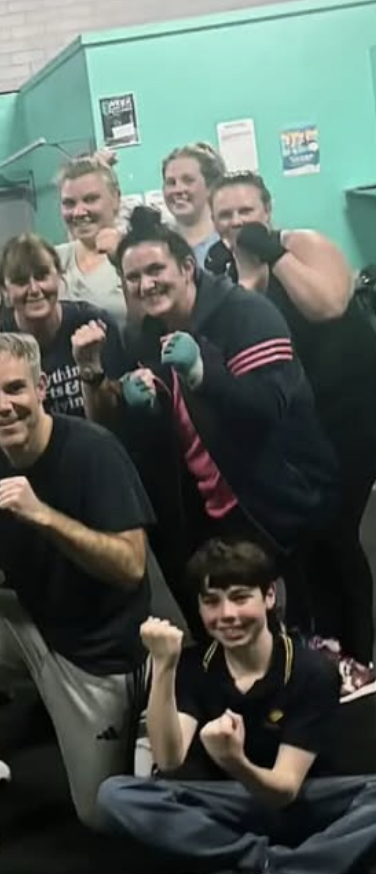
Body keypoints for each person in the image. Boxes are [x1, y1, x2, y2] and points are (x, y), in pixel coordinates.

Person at [0, 332, 156, 872]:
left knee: (100, 814)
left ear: (41, 387)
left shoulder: (93, 450)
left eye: (15, 389)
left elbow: (131, 566)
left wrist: (43, 516)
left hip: (97, 643)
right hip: (25, 615)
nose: (3, 406)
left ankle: (149, 696)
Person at [97, 538, 376, 874]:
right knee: (116, 795)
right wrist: (163, 666)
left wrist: (234, 760)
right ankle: (292, 868)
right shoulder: (195, 666)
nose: (227, 615)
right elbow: (169, 758)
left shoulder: (310, 671)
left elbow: (284, 791)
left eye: (240, 598)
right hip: (231, 805)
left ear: (269, 596)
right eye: (211, 602)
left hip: (308, 803)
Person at [107, 206, 339, 643]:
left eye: (156, 269)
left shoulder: (246, 315)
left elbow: (268, 410)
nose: (145, 284)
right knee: (239, 638)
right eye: (132, 277)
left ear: (186, 267)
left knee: (309, 641)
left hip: (280, 506)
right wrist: (145, 409)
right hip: (212, 513)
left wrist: (203, 373)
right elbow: (179, 434)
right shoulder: (144, 336)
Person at [209, 171, 376, 689]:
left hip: (351, 412)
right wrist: (248, 270)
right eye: (226, 215)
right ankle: (324, 651)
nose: (237, 222)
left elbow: (327, 305)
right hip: (299, 428)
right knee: (306, 541)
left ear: (268, 210)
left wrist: (273, 252)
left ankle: (362, 653)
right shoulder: (226, 270)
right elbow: (246, 325)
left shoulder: (303, 243)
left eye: (246, 211)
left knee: (339, 532)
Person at [0, 232, 127, 420]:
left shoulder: (95, 324)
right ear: (4, 290)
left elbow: (116, 416)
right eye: (21, 281)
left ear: (59, 276)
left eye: (42, 277)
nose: (34, 289)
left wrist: (91, 370)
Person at [53, 155, 127, 325]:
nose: (78, 212)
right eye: (69, 203)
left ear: (116, 199)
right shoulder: (53, 260)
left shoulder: (135, 258)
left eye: (90, 199)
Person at [161, 142, 225, 267]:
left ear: (211, 186)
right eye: (171, 182)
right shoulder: (157, 246)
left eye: (188, 180)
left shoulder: (229, 241)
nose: (178, 190)